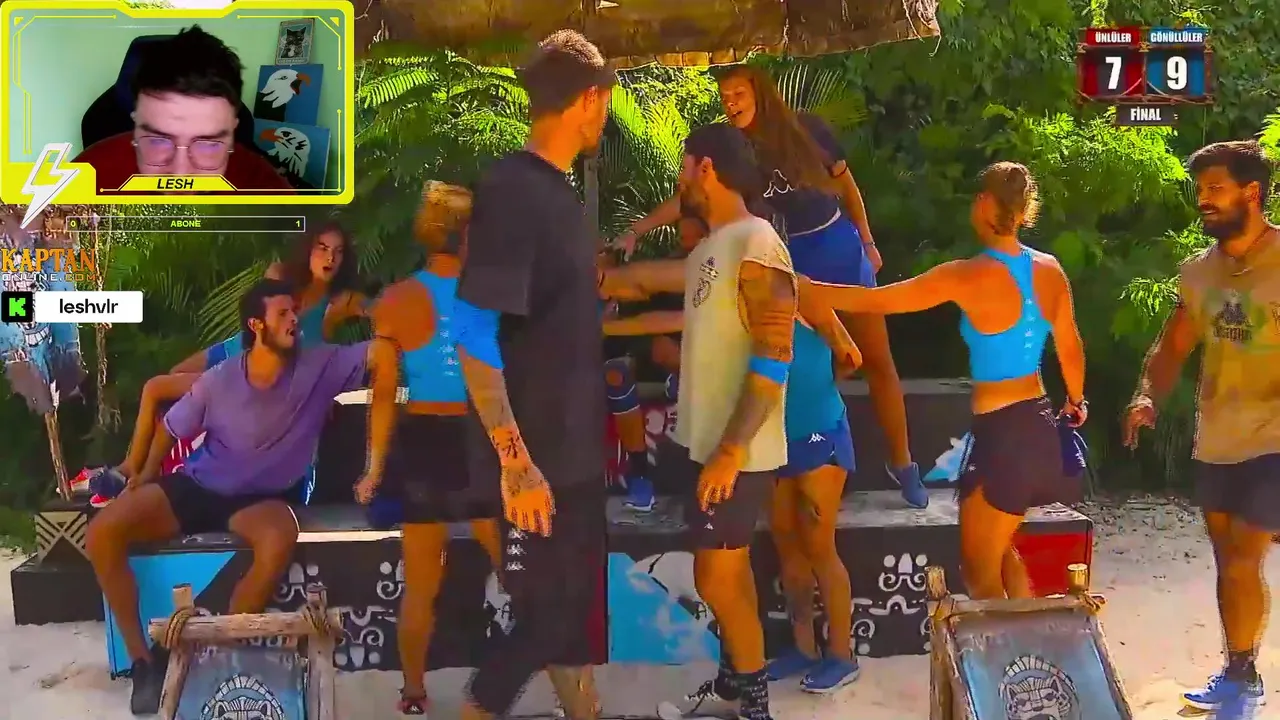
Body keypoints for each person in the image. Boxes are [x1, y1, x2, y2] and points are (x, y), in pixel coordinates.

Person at [612, 64, 927, 508]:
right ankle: (818, 458)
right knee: (804, 365)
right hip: (792, 260)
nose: (731, 103)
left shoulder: (806, 129)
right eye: (725, 96)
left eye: (738, 93)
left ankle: (903, 462)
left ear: (759, 92)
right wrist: (636, 231)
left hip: (839, 248)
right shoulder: (734, 152)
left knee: (877, 359)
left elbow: (847, 185)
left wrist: (868, 241)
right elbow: (688, 197)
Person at [83, 278, 399, 715]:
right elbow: (171, 427)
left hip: (262, 498)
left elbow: (382, 355)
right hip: (200, 486)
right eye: (283, 314)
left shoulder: (320, 364)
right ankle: (142, 663)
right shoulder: (220, 380)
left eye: (295, 312)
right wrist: (146, 474)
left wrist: (374, 467)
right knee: (102, 534)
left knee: (278, 538)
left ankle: (224, 654)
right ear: (256, 325)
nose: (294, 320)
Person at [798, 162, 1087, 603]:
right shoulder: (1050, 270)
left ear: (985, 203)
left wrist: (811, 291)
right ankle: (1031, 634)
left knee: (978, 573)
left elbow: (883, 300)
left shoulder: (967, 275)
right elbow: (1070, 347)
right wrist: (1077, 400)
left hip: (1004, 435)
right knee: (1002, 551)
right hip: (1041, 426)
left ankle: (1009, 647)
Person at [600, 123, 799, 720]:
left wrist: (731, 451)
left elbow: (775, 357)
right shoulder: (716, 246)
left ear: (705, 168)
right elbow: (641, 282)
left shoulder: (757, 242)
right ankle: (736, 681)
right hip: (708, 445)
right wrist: (593, 275)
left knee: (714, 578)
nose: (680, 179)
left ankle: (754, 699)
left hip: (737, 451)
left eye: (684, 167)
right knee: (729, 573)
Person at [452, 29, 614, 720]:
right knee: (544, 624)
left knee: (566, 620)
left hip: (569, 457)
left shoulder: (556, 193)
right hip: (536, 465)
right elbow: (471, 330)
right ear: (591, 100)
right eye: (605, 104)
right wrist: (516, 463)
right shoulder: (514, 190)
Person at [1123, 140, 1278, 720]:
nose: (1203, 199)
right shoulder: (1197, 271)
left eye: (1216, 188)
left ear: (1251, 192)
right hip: (1216, 436)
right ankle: (1240, 668)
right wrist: (1147, 394)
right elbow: (1172, 346)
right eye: (1200, 189)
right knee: (1229, 562)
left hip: (1275, 437)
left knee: (1241, 558)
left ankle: (1242, 682)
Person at [357, 181, 503, 714]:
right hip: (480, 437)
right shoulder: (492, 293)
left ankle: (413, 692)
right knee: (518, 571)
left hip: (423, 441)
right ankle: (562, 688)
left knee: (420, 585)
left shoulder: (395, 300)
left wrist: (374, 469)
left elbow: (382, 394)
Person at [73, 26, 291, 192]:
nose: (179, 175)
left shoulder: (267, 190)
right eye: (158, 140)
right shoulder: (85, 177)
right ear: (135, 124)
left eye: (208, 144)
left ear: (233, 131)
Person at [602, 214, 705, 510]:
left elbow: (682, 321)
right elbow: (638, 314)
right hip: (639, 348)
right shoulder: (660, 269)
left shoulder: (721, 267)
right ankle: (639, 474)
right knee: (619, 370)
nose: (682, 238)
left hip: (698, 355)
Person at [172, 222, 367, 373]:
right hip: (233, 351)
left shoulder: (340, 300)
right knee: (175, 375)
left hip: (256, 380)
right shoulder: (280, 275)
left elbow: (376, 308)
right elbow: (259, 318)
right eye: (323, 249)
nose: (330, 258)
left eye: (338, 251)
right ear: (308, 250)